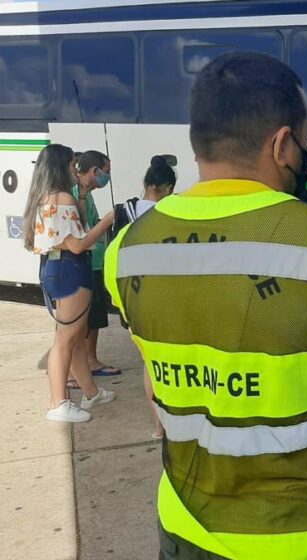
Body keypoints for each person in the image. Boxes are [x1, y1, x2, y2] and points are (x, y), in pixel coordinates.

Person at [104, 52, 307, 559]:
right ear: (283, 143)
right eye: (306, 140)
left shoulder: (128, 249)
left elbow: (157, 384)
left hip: (187, 527)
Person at [22, 144, 117, 423]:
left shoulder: (47, 196)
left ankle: (90, 391)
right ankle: (58, 402)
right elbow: (78, 243)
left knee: (74, 337)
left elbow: (76, 228)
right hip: (70, 269)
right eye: (72, 165)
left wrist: (84, 195)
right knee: (65, 340)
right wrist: (109, 220)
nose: (76, 170)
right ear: (61, 167)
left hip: (58, 268)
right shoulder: (61, 197)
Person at [111, 155, 177, 440]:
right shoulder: (173, 213)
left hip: (136, 299)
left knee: (149, 364)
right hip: (167, 298)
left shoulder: (124, 211)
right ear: (165, 188)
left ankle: (159, 426)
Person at [73, 150, 122, 378]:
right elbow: (82, 232)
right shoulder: (75, 193)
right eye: (107, 171)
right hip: (84, 264)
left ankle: (91, 361)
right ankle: (77, 370)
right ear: (94, 171)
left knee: (94, 319)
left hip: (94, 263)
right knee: (80, 323)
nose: (108, 177)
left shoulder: (86, 193)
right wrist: (106, 222)